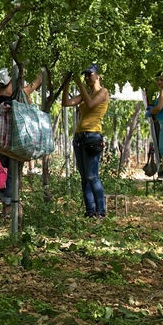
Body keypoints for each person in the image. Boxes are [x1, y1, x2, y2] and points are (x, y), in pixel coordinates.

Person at [0, 68, 42, 213]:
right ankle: (9, 204)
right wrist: (40, 77)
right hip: (12, 141)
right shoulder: (10, 97)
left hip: (0, 141)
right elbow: (29, 89)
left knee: (3, 170)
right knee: (12, 172)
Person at [62, 63, 109, 218]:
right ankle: (90, 210)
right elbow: (66, 103)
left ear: (98, 75)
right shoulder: (85, 94)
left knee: (92, 176)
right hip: (80, 137)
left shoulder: (103, 92)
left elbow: (90, 104)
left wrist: (79, 83)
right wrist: (67, 83)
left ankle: (101, 211)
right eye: (85, 75)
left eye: (90, 74)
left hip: (92, 136)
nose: (87, 77)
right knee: (84, 177)